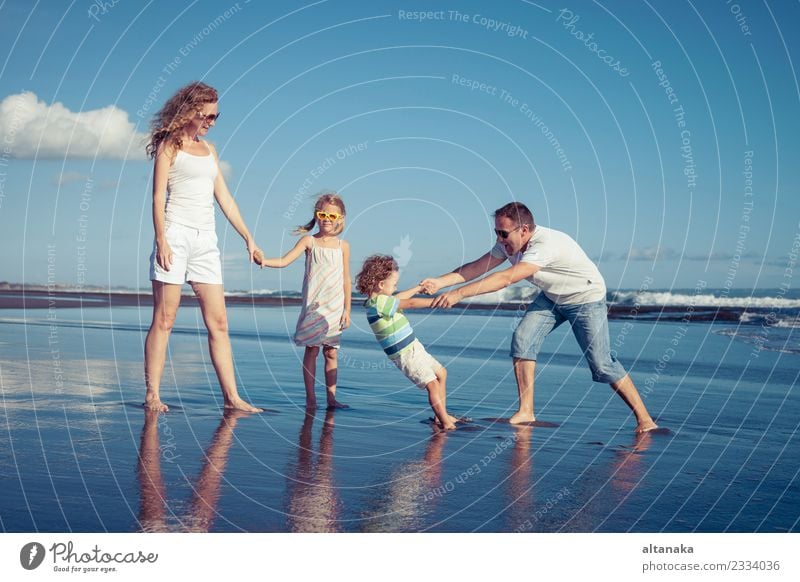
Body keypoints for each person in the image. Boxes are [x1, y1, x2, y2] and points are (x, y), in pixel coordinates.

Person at [421, 202, 658, 434]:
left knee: (602, 364)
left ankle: (646, 419)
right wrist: (440, 282)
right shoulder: (507, 245)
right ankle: (526, 411)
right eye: (496, 233)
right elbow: (477, 267)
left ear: (523, 230)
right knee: (523, 338)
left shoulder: (545, 245)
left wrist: (460, 293)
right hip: (553, 296)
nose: (499, 240)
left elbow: (506, 278)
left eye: (503, 233)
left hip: (585, 298)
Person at [144, 81, 261, 413]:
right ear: (191, 112)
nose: (212, 121)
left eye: (216, 116)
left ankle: (232, 398)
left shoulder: (210, 150)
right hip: (175, 235)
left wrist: (248, 237)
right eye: (208, 115)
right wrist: (162, 240)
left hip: (206, 241)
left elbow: (224, 198)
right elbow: (157, 197)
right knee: (165, 318)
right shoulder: (170, 146)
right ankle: (153, 394)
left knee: (219, 322)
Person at [253, 193, 351, 410]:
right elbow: (285, 260)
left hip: (335, 308)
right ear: (317, 215)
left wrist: (347, 310)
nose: (327, 219)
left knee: (331, 352)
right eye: (322, 214)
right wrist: (264, 260)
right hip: (314, 306)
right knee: (312, 351)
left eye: (332, 215)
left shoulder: (343, 246)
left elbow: (346, 279)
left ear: (341, 218)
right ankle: (311, 398)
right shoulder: (309, 241)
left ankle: (331, 399)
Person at [356, 254, 459, 430]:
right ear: (381, 285)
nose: (396, 288)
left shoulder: (378, 301)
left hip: (413, 346)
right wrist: (435, 302)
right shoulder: (379, 303)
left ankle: (440, 415)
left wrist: (418, 288)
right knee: (432, 384)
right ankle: (446, 422)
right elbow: (408, 303)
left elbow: (400, 297)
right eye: (394, 284)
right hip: (405, 353)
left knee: (442, 373)